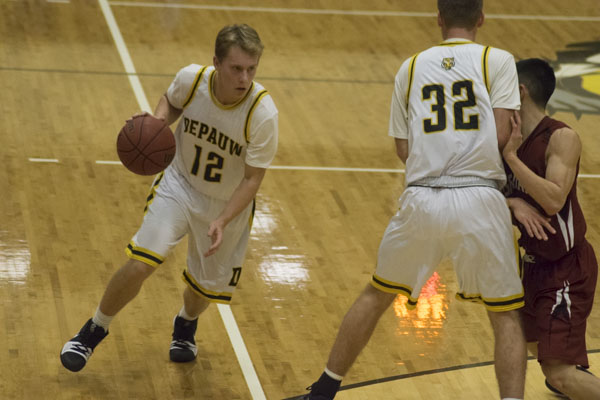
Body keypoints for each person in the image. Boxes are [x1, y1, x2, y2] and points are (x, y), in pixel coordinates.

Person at [304, 1, 527, 399]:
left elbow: (403, 148)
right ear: (481, 17)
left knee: (376, 294)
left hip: (423, 198)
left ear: (439, 18)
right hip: (479, 196)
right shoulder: (499, 60)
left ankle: (324, 389)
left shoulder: (409, 68)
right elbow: (501, 135)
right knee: (505, 314)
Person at [60, 24, 278, 372]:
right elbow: (171, 102)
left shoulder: (262, 114)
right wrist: (157, 122)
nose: (245, 77)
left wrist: (222, 220)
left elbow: (252, 179)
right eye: (237, 68)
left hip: (225, 205)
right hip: (179, 184)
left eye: (252, 69)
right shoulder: (192, 80)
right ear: (217, 63)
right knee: (142, 261)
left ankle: (186, 323)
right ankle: (93, 329)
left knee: (202, 290)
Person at [502, 58, 600, 400]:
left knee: (558, 372)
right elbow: (482, 191)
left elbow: (554, 199)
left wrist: (512, 159)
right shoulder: (505, 136)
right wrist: (511, 203)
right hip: (532, 266)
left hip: (566, 268)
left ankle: (571, 377)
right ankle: (573, 375)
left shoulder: (561, 137)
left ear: (519, 91)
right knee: (528, 344)